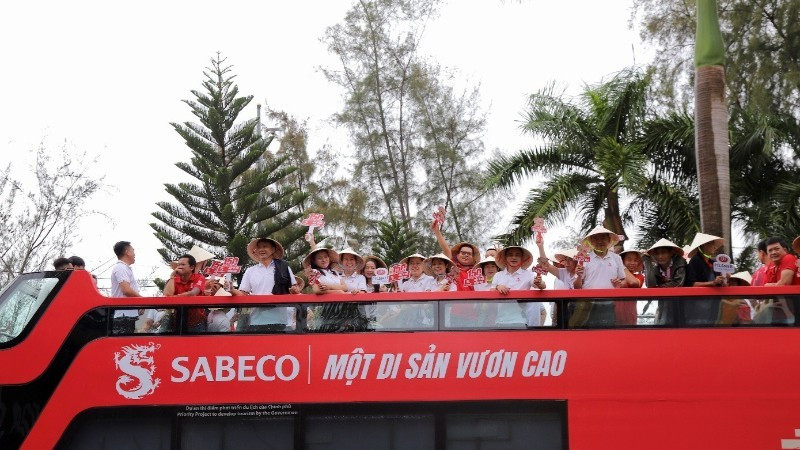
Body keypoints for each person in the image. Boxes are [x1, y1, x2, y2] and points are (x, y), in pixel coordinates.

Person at [570, 226, 638, 327]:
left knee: (607, 334)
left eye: (603, 238)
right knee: (586, 335)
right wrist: (579, 276)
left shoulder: (616, 258)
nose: (599, 241)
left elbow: (623, 281)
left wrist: (619, 283)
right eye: (596, 238)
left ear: (609, 240)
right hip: (587, 304)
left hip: (609, 303)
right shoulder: (584, 259)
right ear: (591, 241)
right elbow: (577, 287)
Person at [237, 237, 301, 332]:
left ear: (273, 250)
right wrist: (230, 289)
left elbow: (295, 289)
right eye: (258, 247)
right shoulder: (250, 271)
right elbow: (243, 294)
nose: (261, 249)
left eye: (265, 246)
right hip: (257, 320)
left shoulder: (284, 267)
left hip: (281, 320)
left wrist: (294, 291)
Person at [491, 246, 546, 327]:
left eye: (517, 255)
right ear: (505, 258)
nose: (514, 257)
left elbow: (540, 285)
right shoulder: (498, 275)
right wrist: (497, 287)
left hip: (522, 322)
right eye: (510, 255)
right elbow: (491, 292)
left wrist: (539, 282)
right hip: (501, 320)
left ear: (522, 258)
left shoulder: (529, 274)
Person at [683, 232, 727, 324]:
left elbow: (719, 282)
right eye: (712, 244)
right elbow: (691, 284)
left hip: (713, 305)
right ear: (704, 245)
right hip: (697, 306)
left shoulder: (714, 262)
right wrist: (712, 283)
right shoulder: (695, 261)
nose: (714, 247)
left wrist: (725, 278)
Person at [642, 239, 687, 325]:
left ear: (671, 253)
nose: (660, 256)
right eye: (657, 254)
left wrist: (659, 288)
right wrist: (647, 261)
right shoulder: (656, 269)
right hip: (664, 304)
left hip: (681, 303)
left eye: (663, 253)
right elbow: (651, 285)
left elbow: (678, 283)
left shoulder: (679, 262)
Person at [430, 221, 480, 291]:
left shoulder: (477, 272)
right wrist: (437, 231)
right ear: (457, 255)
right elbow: (446, 249)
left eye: (469, 254)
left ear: (473, 257)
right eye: (463, 253)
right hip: (451, 300)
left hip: (471, 301)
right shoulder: (452, 267)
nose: (466, 255)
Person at [163, 254, 207, 332]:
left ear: (192, 267)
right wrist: (172, 276)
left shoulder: (199, 278)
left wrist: (174, 298)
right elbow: (167, 295)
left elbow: (193, 293)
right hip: (177, 321)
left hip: (197, 323)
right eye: (178, 264)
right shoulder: (173, 279)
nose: (179, 267)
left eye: (183, 264)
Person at [110, 241, 144, 334]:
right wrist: (143, 301)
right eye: (133, 251)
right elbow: (126, 290)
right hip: (123, 316)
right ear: (127, 252)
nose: (134, 254)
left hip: (126, 315)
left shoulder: (124, 268)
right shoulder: (121, 267)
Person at [616, 249, 644, 325]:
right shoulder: (615, 275)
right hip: (613, 313)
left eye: (635, 260)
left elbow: (633, 282)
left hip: (630, 314)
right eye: (629, 259)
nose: (632, 263)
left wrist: (621, 266)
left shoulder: (639, 277)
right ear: (623, 260)